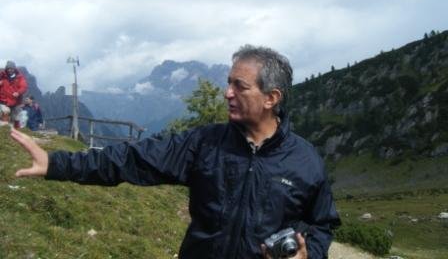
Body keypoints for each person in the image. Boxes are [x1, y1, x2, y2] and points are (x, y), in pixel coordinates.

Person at [11, 45, 340, 259]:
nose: (226, 93)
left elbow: (322, 224)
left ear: (271, 98)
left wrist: (307, 253)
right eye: (228, 83)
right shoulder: (203, 143)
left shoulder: (306, 162)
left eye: (239, 86)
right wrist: (55, 163)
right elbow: (128, 160)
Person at [0, 60, 28, 128]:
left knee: (15, 119)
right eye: (8, 68)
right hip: (4, 101)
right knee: (5, 114)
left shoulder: (19, 77)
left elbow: (24, 86)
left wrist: (18, 92)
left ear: (14, 68)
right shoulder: (2, 76)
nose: (10, 70)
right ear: (6, 68)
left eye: (11, 68)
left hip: (16, 102)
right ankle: (4, 131)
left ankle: (15, 132)